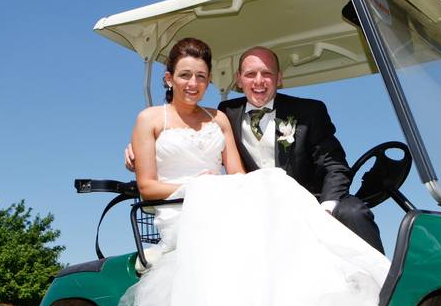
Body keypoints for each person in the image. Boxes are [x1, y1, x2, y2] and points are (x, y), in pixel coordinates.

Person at [114, 37, 410, 306]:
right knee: (247, 233)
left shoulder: (220, 119)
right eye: (186, 76)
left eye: (200, 76)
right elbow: (148, 185)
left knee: (283, 197)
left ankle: (342, 304)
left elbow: (242, 178)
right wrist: (182, 177)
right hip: (185, 210)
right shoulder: (160, 118)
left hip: (231, 204)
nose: (194, 83)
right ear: (170, 79)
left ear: (276, 78)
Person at [127, 46, 385, 253]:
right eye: (250, 74)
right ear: (239, 80)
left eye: (267, 74)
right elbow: (178, 137)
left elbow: (334, 165)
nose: (259, 82)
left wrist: (327, 208)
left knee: (353, 212)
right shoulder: (228, 113)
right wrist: (137, 151)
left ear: (279, 78)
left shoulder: (309, 112)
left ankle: (386, 291)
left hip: (308, 202)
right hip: (250, 208)